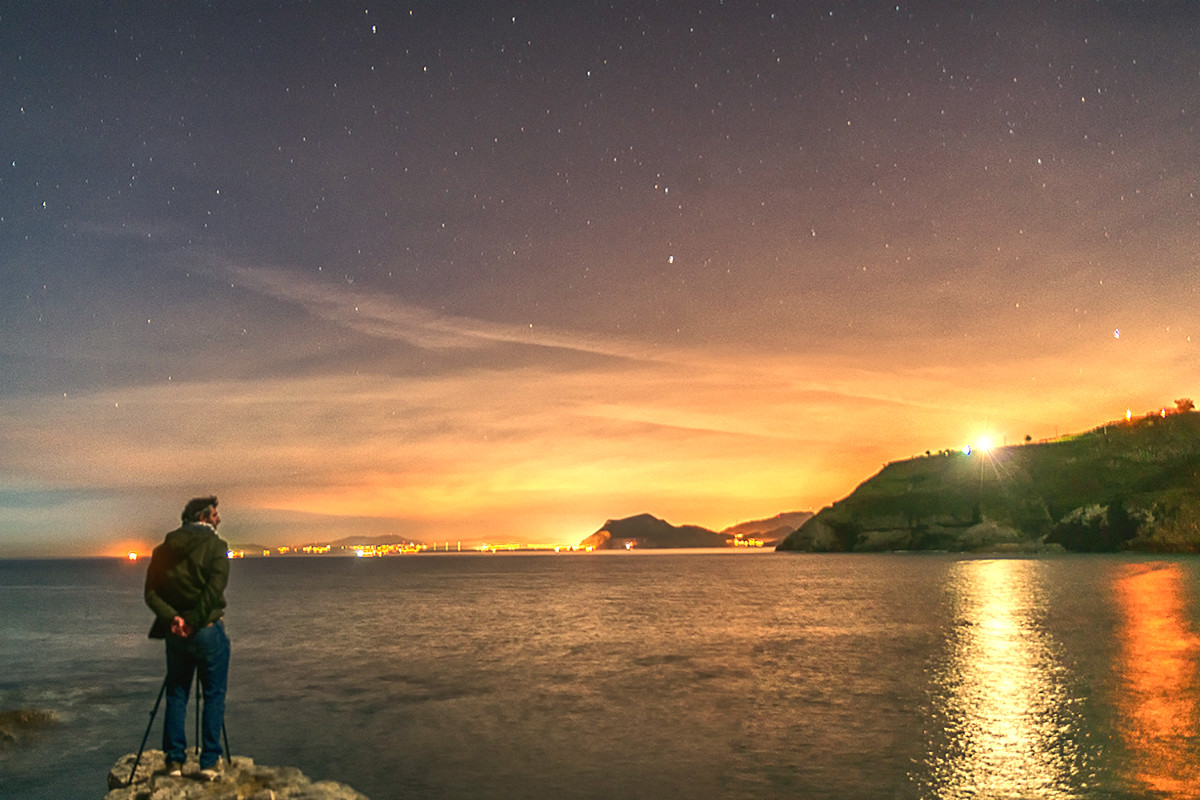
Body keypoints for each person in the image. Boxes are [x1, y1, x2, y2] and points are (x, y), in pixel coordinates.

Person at [144, 496, 231, 780]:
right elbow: (214, 590)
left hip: (176, 634)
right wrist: (193, 621)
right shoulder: (217, 548)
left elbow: (151, 594)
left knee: (177, 693)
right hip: (206, 630)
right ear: (204, 517)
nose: (219, 520)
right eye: (215, 515)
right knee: (213, 695)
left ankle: (174, 761)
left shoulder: (163, 550)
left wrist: (174, 619)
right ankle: (208, 762)